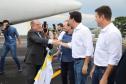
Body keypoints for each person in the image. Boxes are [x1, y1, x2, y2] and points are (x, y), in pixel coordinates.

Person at [56, 11, 94, 84]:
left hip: (82, 62)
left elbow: (90, 48)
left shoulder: (84, 30)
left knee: (80, 82)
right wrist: (60, 42)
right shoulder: (76, 31)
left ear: (73, 19)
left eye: (69, 19)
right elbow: (72, 45)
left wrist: (85, 64)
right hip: (76, 61)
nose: (68, 20)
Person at [90, 5, 122, 84]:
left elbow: (114, 58)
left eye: (96, 16)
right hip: (98, 69)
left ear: (102, 17)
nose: (95, 19)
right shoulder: (103, 31)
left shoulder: (113, 32)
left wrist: (105, 77)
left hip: (104, 71)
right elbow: (99, 52)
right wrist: (94, 68)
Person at [24, 20, 56, 84]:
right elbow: (38, 40)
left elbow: (46, 41)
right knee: (31, 78)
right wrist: (51, 41)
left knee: (39, 78)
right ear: (32, 26)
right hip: (32, 60)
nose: (40, 26)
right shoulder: (31, 32)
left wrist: (52, 47)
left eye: (40, 24)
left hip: (41, 60)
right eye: (37, 24)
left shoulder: (41, 33)